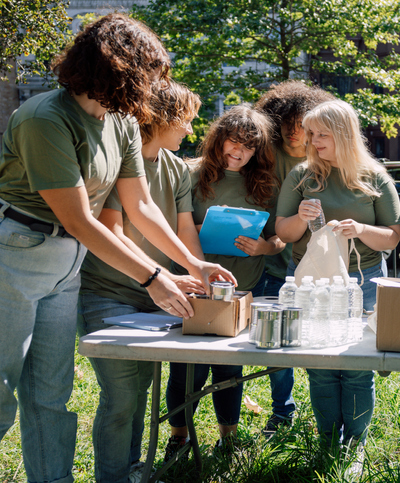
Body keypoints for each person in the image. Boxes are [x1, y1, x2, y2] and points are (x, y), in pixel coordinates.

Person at [0, 14, 235, 483]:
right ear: (120, 68)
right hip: (17, 253)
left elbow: (141, 204)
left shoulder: (123, 121)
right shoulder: (45, 118)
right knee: (1, 391)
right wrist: (153, 277)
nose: (155, 85)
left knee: (50, 393)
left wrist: (192, 262)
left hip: (68, 266)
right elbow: (79, 218)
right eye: (150, 73)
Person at [77, 80, 210, 482]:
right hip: (108, 294)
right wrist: (165, 276)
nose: (190, 131)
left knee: (141, 395)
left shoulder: (176, 168)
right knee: (122, 398)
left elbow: (186, 232)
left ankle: (133, 469)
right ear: (160, 118)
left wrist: (200, 274)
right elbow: (112, 230)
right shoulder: (118, 162)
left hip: (157, 298)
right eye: (185, 121)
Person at [275, 100, 400, 464]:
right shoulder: (301, 175)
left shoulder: (375, 177)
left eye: (321, 134)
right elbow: (283, 232)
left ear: (344, 134)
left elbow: (393, 237)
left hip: (364, 283)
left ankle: (356, 446)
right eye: (311, 134)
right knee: (320, 366)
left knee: (358, 368)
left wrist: (361, 229)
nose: (313, 141)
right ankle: (328, 444)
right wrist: (300, 217)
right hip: (313, 286)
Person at [164, 105, 285, 456]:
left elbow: (280, 238)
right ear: (219, 138)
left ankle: (228, 440)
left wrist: (264, 246)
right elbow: (169, 225)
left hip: (242, 288)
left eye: (249, 146)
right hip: (195, 288)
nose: (239, 151)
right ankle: (178, 437)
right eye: (234, 141)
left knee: (229, 369)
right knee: (187, 370)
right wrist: (195, 231)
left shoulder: (264, 183)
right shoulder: (190, 174)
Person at [252, 81, 335, 437]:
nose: (295, 130)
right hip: (269, 255)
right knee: (276, 343)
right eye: (287, 122)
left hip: (312, 260)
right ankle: (281, 411)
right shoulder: (264, 151)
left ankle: (329, 419)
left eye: (303, 123)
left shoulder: (322, 152)